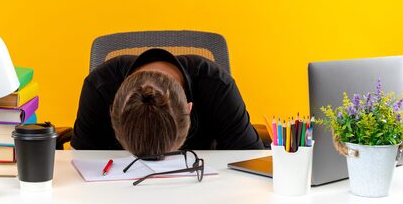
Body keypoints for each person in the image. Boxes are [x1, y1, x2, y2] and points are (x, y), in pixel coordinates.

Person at [71, 48, 264, 156]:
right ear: (113, 111)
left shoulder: (218, 86)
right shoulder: (98, 87)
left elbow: (250, 159)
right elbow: (78, 164)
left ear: (189, 109)